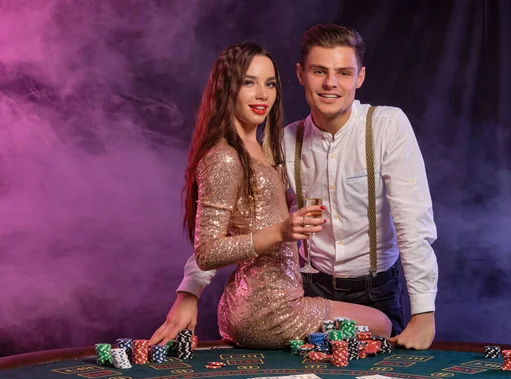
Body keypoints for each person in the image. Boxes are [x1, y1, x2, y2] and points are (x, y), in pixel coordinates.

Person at [150, 24, 438, 350]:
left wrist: (424, 312)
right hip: (306, 290)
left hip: (376, 292)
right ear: (301, 75)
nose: (331, 83)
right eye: (319, 71)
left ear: (359, 77)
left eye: (344, 73)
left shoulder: (387, 126)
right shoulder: (283, 142)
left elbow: (412, 223)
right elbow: (231, 219)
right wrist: (190, 290)